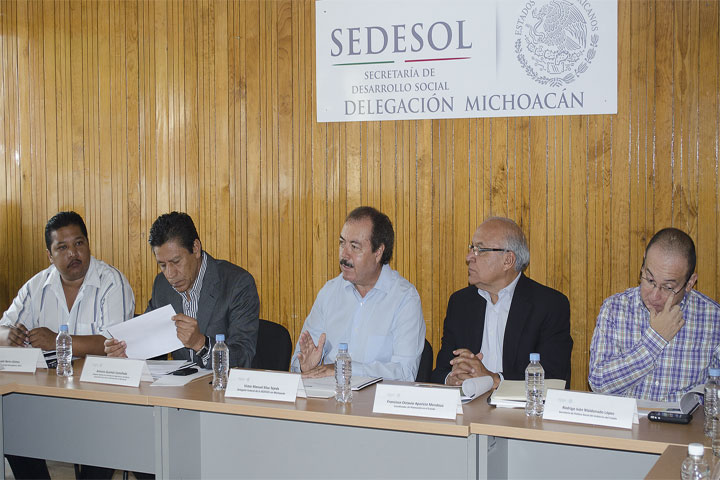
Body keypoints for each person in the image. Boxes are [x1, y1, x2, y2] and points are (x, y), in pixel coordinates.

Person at [0, 211, 135, 480]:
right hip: (46, 398)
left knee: (105, 440)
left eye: (79, 243)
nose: (73, 253)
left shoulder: (111, 282)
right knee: (11, 425)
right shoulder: (35, 287)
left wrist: (58, 341)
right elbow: (4, 327)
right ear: (49, 256)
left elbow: (114, 343)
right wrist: (8, 336)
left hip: (100, 400)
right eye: (62, 247)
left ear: (88, 244)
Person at [105, 211, 259, 370]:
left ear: (196, 248)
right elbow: (150, 344)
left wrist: (201, 344)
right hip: (178, 383)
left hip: (220, 383)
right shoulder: (161, 285)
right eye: (162, 265)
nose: (170, 274)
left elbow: (243, 356)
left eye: (176, 262)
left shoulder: (237, 284)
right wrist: (126, 351)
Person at [431, 217, 573, 388]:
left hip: (520, 405)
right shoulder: (461, 303)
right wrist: (451, 378)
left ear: (508, 260)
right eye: (471, 248)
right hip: (468, 403)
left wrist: (494, 379)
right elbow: (440, 371)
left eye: (480, 250)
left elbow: (553, 378)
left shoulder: (548, 305)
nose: (469, 257)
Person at [290, 206, 425, 381]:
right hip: (328, 395)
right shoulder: (329, 292)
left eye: (354, 247)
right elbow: (298, 363)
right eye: (342, 243)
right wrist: (305, 366)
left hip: (377, 397)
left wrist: (345, 369)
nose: (344, 255)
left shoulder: (404, 298)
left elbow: (405, 373)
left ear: (378, 252)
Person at [589, 228, 720, 402]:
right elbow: (598, 384)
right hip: (628, 418)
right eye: (650, 280)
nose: (654, 295)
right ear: (643, 265)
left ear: (690, 283)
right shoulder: (615, 309)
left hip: (683, 419)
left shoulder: (713, 319)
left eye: (668, 287)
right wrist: (655, 340)